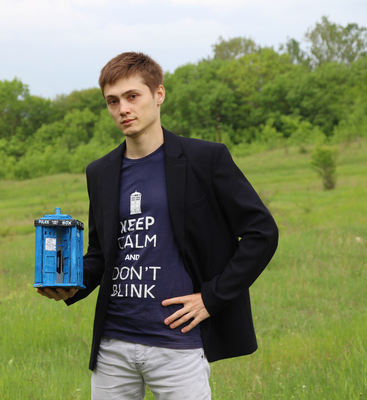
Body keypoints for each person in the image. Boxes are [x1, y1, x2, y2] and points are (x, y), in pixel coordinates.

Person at [37, 52, 278, 399]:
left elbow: (262, 232)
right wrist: (71, 283)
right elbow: (102, 252)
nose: (123, 109)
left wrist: (212, 298)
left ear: (159, 94)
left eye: (132, 96)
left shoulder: (205, 159)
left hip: (178, 344)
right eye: (113, 101)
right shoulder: (100, 172)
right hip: (113, 346)